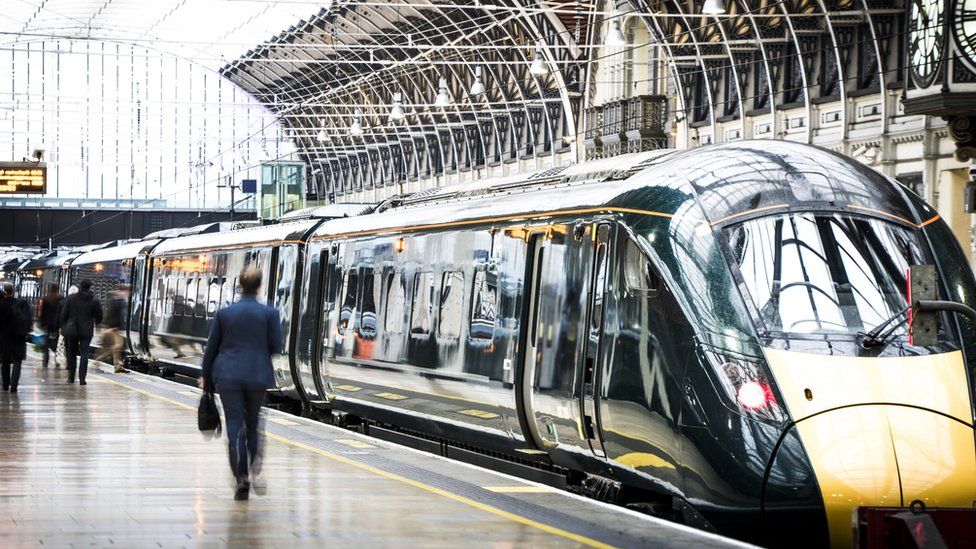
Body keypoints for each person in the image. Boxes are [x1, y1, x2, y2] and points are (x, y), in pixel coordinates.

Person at [200, 267, 281, 501]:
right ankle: (255, 469)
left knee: (234, 424)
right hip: (257, 376)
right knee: (253, 424)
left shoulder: (225, 314)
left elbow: (211, 348)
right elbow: (276, 346)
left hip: (228, 376)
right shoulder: (270, 314)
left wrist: (206, 376)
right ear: (258, 286)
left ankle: (241, 478)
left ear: (239, 285)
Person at [60, 279, 103, 385]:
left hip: (72, 330)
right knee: (84, 354)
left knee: (71, 353)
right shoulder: (94, 300)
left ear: (80, 286)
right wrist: (97, 323)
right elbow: (99, 316)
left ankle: (71, 377)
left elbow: (63, 314)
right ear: (89, 288)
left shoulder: (71, 298)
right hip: (86, 331)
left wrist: (61, 326)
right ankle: (82, 379)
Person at [0, 283, 31, 393]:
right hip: (19, 337)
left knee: (5, 362)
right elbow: (29, 320)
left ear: (4, 292)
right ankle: (14, 386)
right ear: (13, 291)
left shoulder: (1, 304)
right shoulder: (22, 303)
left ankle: (5, 385)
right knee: (17, 361)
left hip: (5, 337)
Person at [97, 284, 129, 373]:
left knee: (115, 347)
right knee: (116, 347)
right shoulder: (114, 301)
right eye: (126, 292)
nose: (127, 294)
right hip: (113, 328)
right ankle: (100, 361)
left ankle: (117, 366)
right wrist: (109, 326)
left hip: (117, 328)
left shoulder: (121, 301)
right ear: (121, 291)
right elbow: (109, 314)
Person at [39, 283, 64, 368]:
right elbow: (62, 312)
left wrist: (41, 323)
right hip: (57, 324)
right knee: (57, 344)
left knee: (46, 343)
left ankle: (45, 361)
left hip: (47, 324)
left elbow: (42, 312)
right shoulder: (61, 298)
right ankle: (57, 360)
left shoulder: (46, 298)